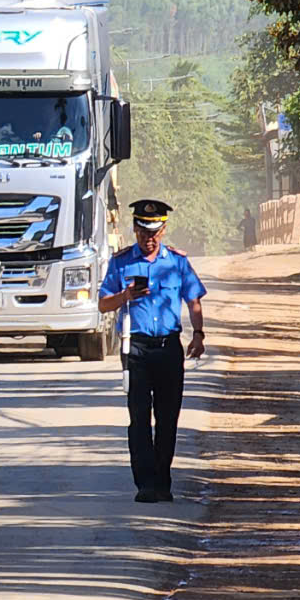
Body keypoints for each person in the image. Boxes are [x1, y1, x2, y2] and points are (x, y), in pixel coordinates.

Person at [99, 199, 208, 503]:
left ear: (163, 229)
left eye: (155, 232)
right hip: (135, 349)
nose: (149, 238)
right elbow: (103, 303)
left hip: (169, 349)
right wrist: (125, 295)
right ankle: (145, 483)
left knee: (168, 417)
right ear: (134, 228)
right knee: (138, 417)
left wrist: (198, 334)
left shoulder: (177, 262)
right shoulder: (121, 263)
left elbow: (194, 300)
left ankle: (163, 480)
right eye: (143, 232)